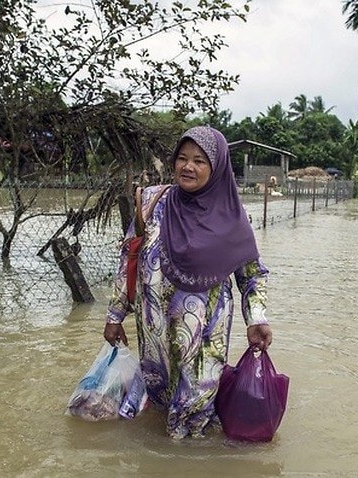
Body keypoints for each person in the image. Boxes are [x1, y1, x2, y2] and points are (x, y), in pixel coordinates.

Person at [104, 126, 272, 439]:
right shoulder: (153, 202)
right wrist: (115, 316)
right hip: (155, 329)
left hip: (207, 332)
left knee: (196, 407)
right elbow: (128, 258)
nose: (188, 166)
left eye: (199, 160)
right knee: (162, 404)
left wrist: (257, 320)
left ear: (217, 167)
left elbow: (251, 275)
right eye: (182, 158)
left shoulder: (233, 216)